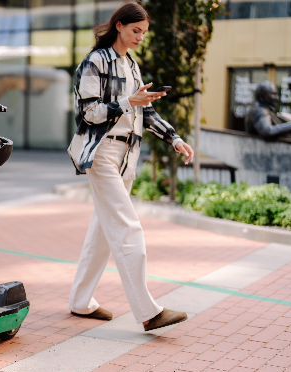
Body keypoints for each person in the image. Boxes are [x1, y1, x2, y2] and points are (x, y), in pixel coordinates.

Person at [68, 2, 194, 331]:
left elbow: (144, 112)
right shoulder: (95, 62)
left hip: (128, 156)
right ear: (120, 25)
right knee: (127, 227)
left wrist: (174, 138)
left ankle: (80, 301)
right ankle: (148, 311)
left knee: (103, 233)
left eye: (144, 33)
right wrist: (128, 101)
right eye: (136, 31)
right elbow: (89, 113)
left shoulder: (132, 66)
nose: (140, 37)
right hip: (102, 154)